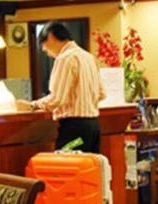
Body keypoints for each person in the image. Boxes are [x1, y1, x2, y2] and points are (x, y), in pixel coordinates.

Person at [25, 21, 105, 153]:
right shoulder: (88, 57)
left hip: (74, 130)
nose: (45, 50)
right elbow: (101, 94)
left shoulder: (65, 58)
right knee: (89, 165)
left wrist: (33, 105)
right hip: (93, 127)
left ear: (51, 36)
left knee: (65, 163)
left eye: (44, 45)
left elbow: (57, 98)